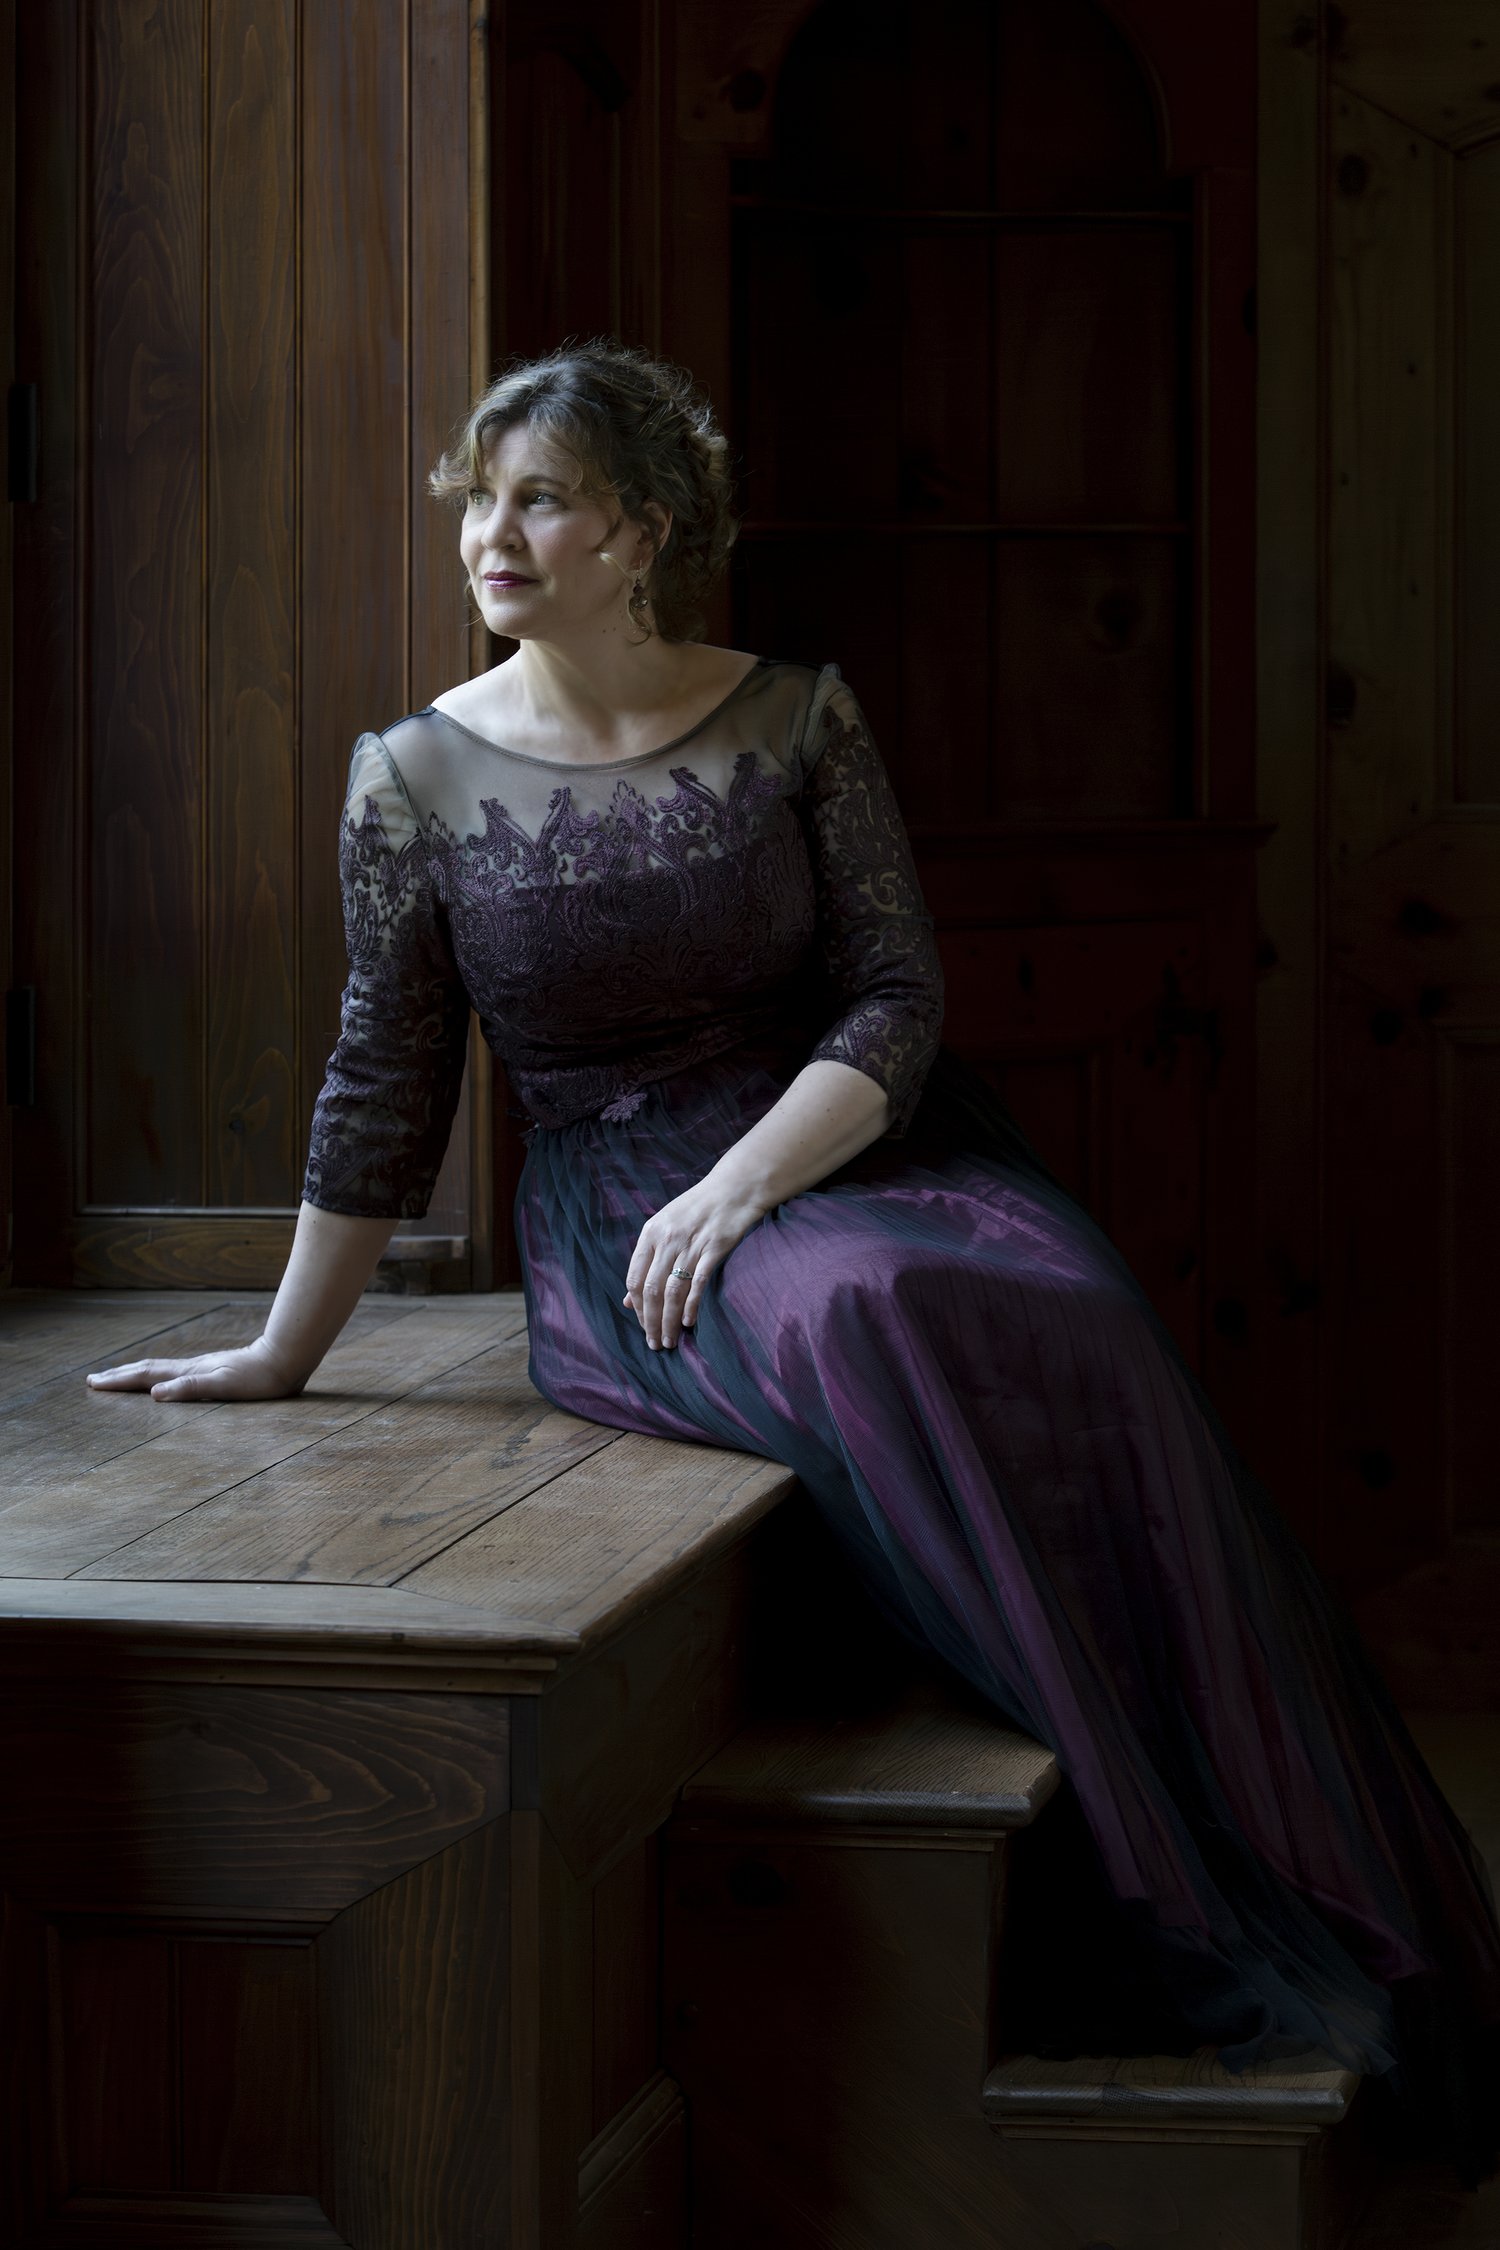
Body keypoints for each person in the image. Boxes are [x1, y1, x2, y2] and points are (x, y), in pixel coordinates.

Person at [89, 339, 1500, 2183]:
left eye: (540, 499)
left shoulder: (794, 716)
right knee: (869, 1308)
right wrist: (280, 1351)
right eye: (478, 498)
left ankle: (1220, 1783)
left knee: (1053, 1295)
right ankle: (1139, 1855)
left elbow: (901, 996)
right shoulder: (415, 775)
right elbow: (384, 1082)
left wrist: (753, 1179)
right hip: (623, 1207)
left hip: (836, 1137)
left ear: (642, 530)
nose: (490, 533)